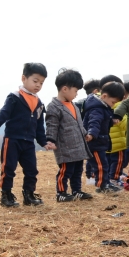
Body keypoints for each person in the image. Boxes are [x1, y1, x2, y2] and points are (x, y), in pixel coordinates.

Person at [0, 63, 55, 208]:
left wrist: (44, 142)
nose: (38, 85)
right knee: (8, 168)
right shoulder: (15, 97)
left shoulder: (39, 103)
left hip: (29, 142)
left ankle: (29, 194)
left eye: (41, 83)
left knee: (32, 169)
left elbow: (39, 126)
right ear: (24, 78)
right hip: (12, 139)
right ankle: (6, 195)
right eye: (35, 81)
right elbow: (3, 114)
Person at [44, 69, 93, 202]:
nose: (76, 94)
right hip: (65, 147)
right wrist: (50, 140)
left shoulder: (74, 106)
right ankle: (61, 192)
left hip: (78, 146)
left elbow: (79, 124)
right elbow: (52, 126)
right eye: (75, 90)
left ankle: (77, 191)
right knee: (66, 171)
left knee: (77, 171)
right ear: (65, 89)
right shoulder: (54, 107)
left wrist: (85, 134)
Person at [83, 81, 127, 193]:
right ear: (104, 96)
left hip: (100, 141)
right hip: (94, 142)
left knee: (103, 164)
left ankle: (105, 183)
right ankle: (103, 186)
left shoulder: (103, 107)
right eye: (113, 102)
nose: (113, 105)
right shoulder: (97, 109)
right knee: (101, 166)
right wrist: (92, 134)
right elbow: (94, 122)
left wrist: (111, 121)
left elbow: (103, 122)